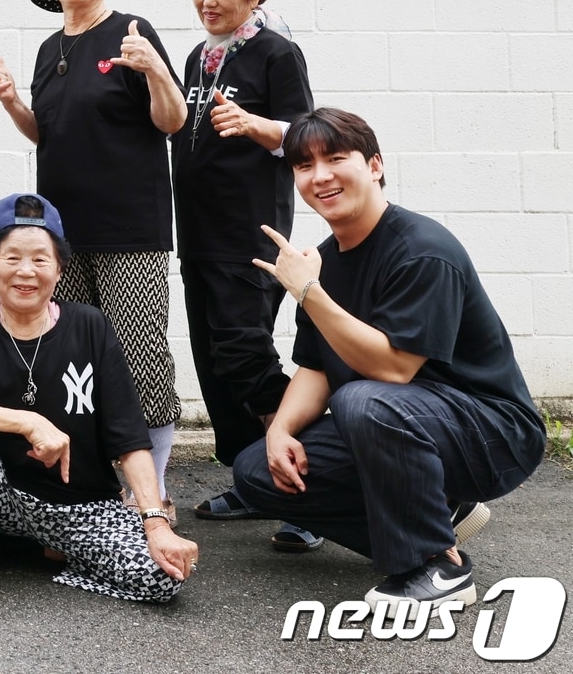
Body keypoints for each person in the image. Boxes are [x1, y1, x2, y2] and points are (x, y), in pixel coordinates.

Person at [233, 108, 544, 606]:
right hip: (406, 421)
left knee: (363, 398)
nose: (321, 176)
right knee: (256, 473)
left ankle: (435, 566)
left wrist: (308, 292)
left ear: (375, 165)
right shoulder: (323, 262)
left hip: (493, 432)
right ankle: (433, 519)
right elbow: (315, 366)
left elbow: (395, 369)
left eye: (336, 158)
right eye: (304, 166)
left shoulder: (421, 250)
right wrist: (279, 431)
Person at [0, 0, 187, 521]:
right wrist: (10, 103)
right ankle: (97, 472)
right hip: (63, 236)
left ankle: (152, 489)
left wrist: (154, 71)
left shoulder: (132, 33)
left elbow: (171, 121)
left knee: (138, 351)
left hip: (130, 226)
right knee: (73, 351)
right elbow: (47, 131)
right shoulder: (51, 49)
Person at [0, 193, 197, 601]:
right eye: (11, 258)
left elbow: (129, 435)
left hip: (80, 508)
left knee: (163, 576)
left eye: (40, 259)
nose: (25, 271)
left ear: (60, 269)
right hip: (1, 496)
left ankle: (43, 545)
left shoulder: (90, 325)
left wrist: (156, 525)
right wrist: (29, 421)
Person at [173, 0, 322, 552]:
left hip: (250, 232)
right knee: (213, 359)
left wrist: (254, 124)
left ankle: (311, 492)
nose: (208, 2)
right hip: (198, 233)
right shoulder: (195, 58)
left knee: (245, 355)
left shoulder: (276, 53)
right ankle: (252, 479)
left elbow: (306, 133)